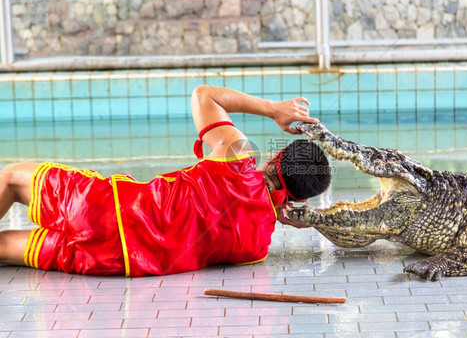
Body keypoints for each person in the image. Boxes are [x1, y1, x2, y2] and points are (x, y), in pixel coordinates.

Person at [0, 86, 331, 276]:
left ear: (275, 158)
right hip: (111, 260)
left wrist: (274, 109)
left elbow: (204, 96)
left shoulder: (237, 157)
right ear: (299, 201)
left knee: (11, 178)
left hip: (104, 206)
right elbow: (250, 216)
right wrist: (277, 214)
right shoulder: (256, 247)